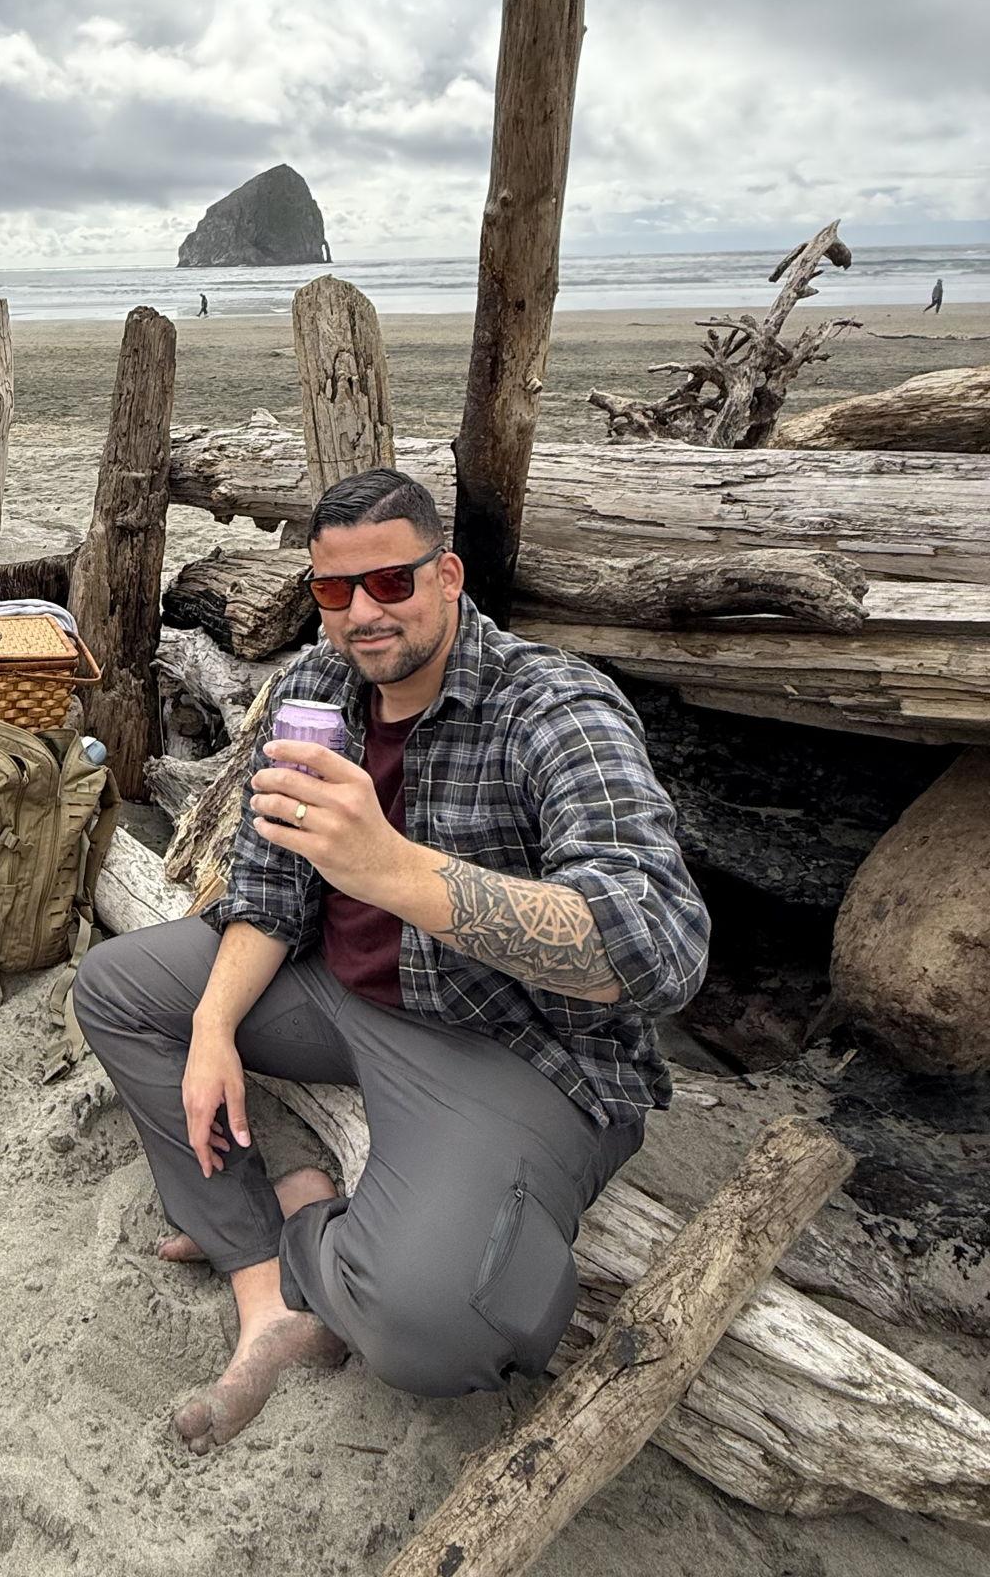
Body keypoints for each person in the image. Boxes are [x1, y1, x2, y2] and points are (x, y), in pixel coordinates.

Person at [74, 467, 707, 1453]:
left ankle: (303, 1212)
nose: (362, 612)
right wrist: (208, 1026)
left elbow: (657, 946)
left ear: (447, 575)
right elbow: (269, 892)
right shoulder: (319, 687)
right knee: (116, 986)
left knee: (433, 1328)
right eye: (333, 591)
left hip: (511, 1045)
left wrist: (399, 870)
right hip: (344, 991)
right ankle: (264, 1290)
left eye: (391, 582)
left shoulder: (551, 705)